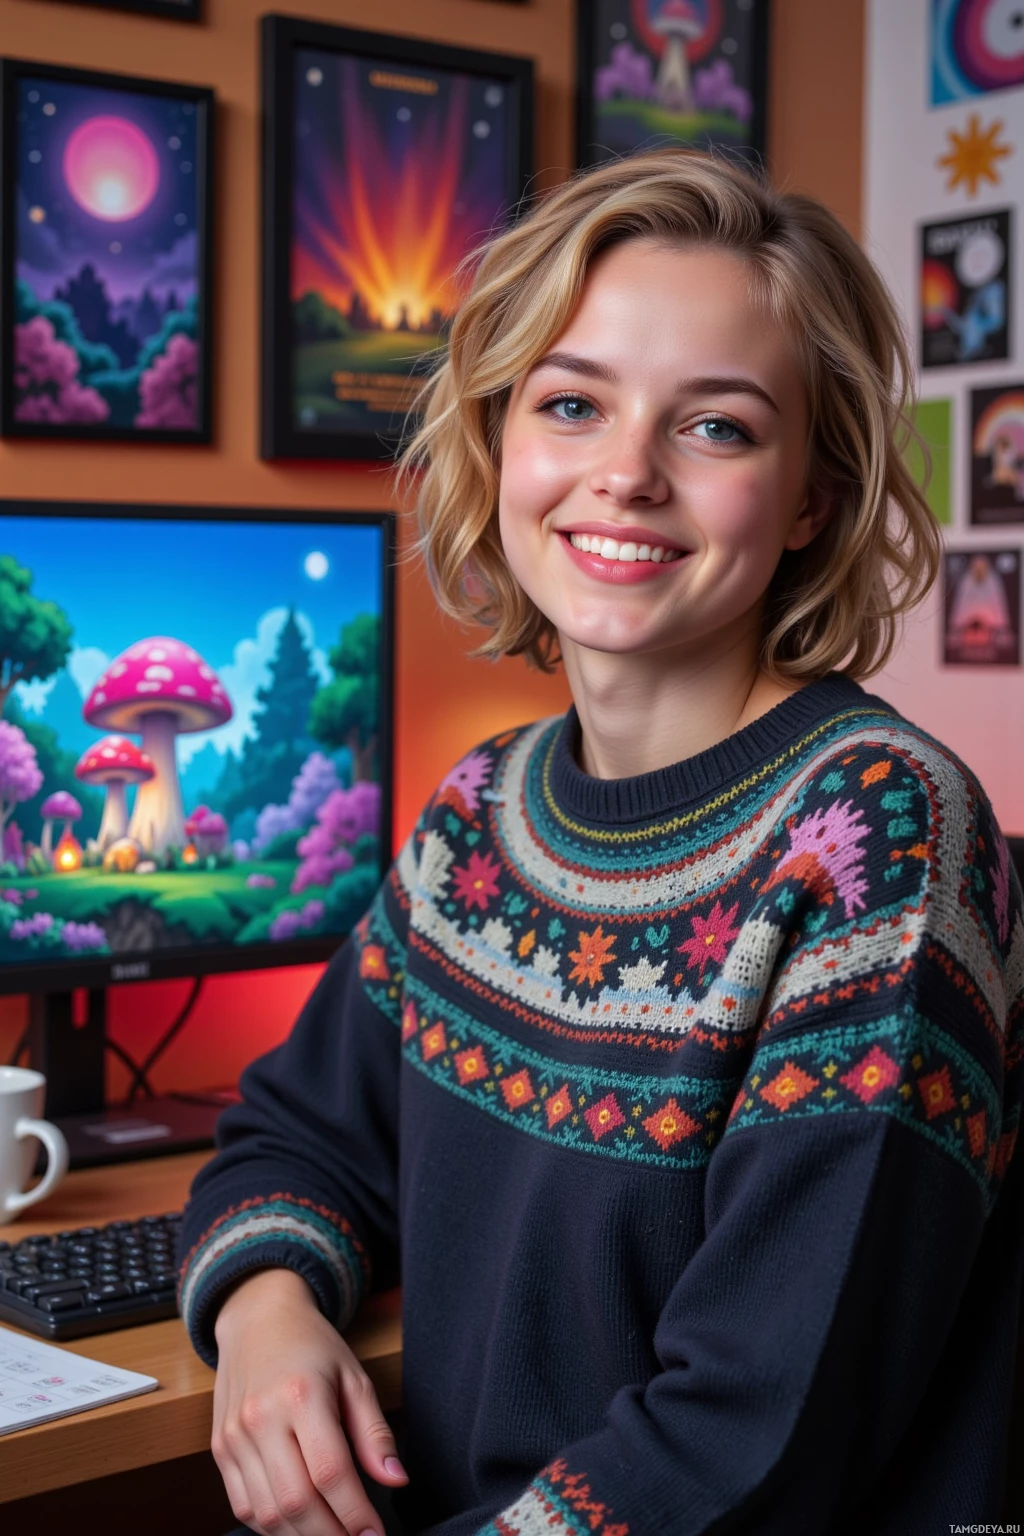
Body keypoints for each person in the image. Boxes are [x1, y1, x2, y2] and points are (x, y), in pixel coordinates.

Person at [176, 150, 1024, 1536]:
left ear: (811, 496)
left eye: (719, 428)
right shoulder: (481, 814)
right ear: (504, 444)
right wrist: (268, 1315)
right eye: (572, 405)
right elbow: (291, 1133)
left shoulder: (872, 838)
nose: (624, 475)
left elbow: (756, 1444)